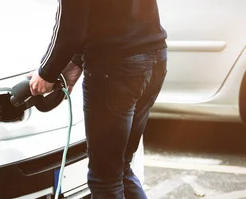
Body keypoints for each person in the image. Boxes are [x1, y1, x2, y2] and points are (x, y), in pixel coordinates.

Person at [28, 0, 168, 198]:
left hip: (115, 68)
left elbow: (70, 25)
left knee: (105, 180)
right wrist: (77, 62)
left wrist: (46, 72)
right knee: (120, 168)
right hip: (154, 58)